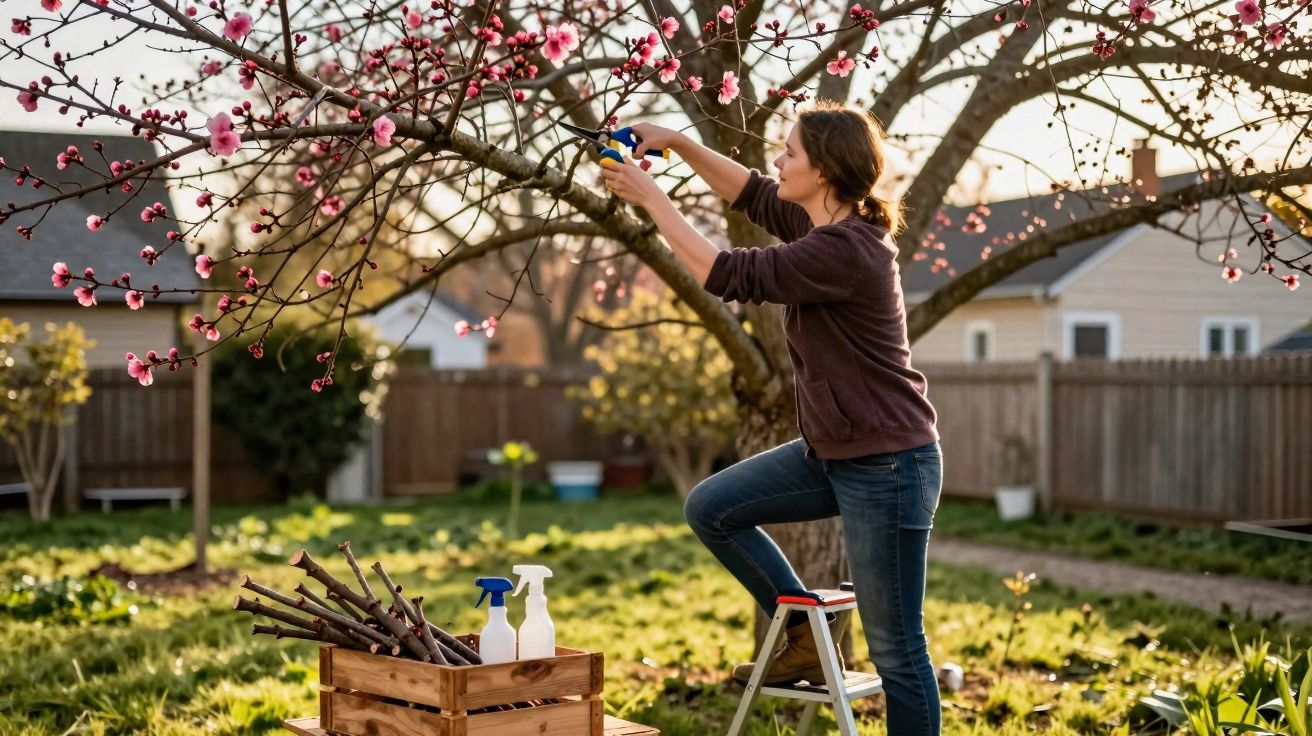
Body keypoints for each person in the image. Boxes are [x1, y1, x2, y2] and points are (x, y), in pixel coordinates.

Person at [598, 100, 943, 736]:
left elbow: (723, 272)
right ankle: (803, 636)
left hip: (889, 464)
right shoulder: (822, 226)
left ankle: (813, 644)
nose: (777, 162)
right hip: (834, 452)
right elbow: (752, 194)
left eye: (790, 153)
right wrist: (676, 141)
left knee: (898, 650)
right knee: (713, 508)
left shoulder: (846, 251)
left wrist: (652, 197)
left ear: (826, 171)